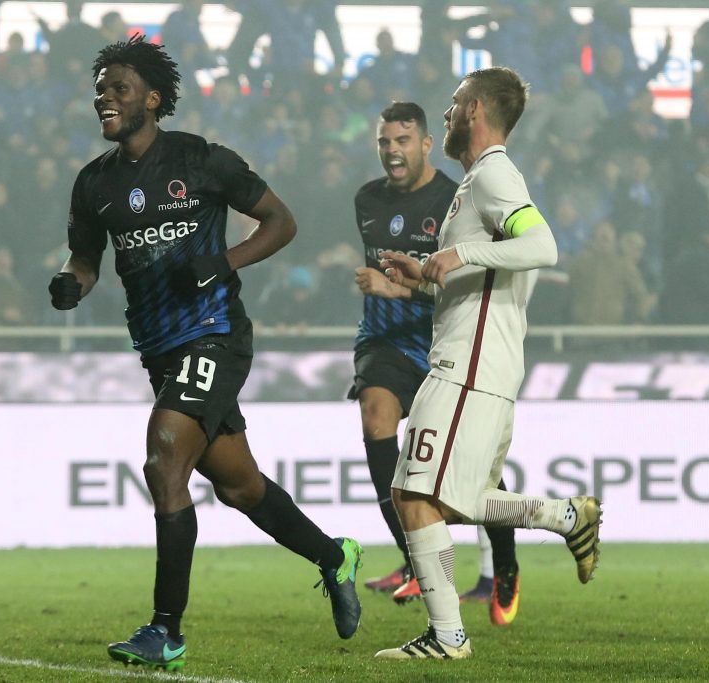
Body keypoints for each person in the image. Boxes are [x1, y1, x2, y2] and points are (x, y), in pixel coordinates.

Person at [48, 35, 362, 672]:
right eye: (100, 91)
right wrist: (70, 283)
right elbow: (85, 260)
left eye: (119, 90)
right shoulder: (94, 184)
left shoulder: (201, 159)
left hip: (217, 334)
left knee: (165, 460)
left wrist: (223, 261)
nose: (105, 99)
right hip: (160, 352)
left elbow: (280, 221)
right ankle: (335, 557)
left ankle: (165, 631)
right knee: (241, 487)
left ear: (154, 100)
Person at [374, 67, 602, 660]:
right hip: (477, 364)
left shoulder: (495, 173)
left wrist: (456, 251)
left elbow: (543, 246)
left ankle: (448, 637)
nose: (446, 114)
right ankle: (564, 515)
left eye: (453, 104)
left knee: (413, 494)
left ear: (475, 109)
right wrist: (419, 283)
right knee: (445, 499)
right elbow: (484, 279)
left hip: (468, 370)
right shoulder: (477, 180)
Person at [350, 101, 522, 625]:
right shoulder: (366, 200)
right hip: (382, 341)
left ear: (426, 144)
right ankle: (412, 558)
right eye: (384, 142)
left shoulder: (454, 198)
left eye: (402, 141)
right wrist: (385, 296)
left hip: (443, 342)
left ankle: (506, 565)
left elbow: (468, 287)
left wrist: (401, 291)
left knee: (473, 468)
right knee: (376, 417)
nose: (392, 151)